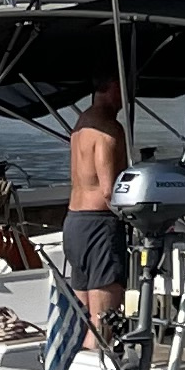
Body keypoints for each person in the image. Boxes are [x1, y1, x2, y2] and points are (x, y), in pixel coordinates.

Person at [59, 75, 132, 341]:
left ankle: (81, 358)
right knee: (104, 321)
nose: (130, 96)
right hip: (100, 224)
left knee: (84, 319)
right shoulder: (108, 129)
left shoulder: (82, 124)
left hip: (74, 222)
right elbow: (109, 189)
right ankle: (100, 358)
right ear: (114, 87)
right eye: (127, 88)